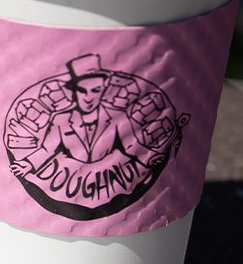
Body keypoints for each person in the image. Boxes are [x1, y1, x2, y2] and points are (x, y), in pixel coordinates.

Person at [11, 54, 161, 178]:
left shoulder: (117, 115)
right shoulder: (60, 120)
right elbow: (47, 149)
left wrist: (151, 156)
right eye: (82, 90)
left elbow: (131, 144)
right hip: (71, 177)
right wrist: (28, 164)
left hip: (109, 178)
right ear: (74, 91)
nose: (89, 97)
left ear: (104, 89)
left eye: (96, 90)